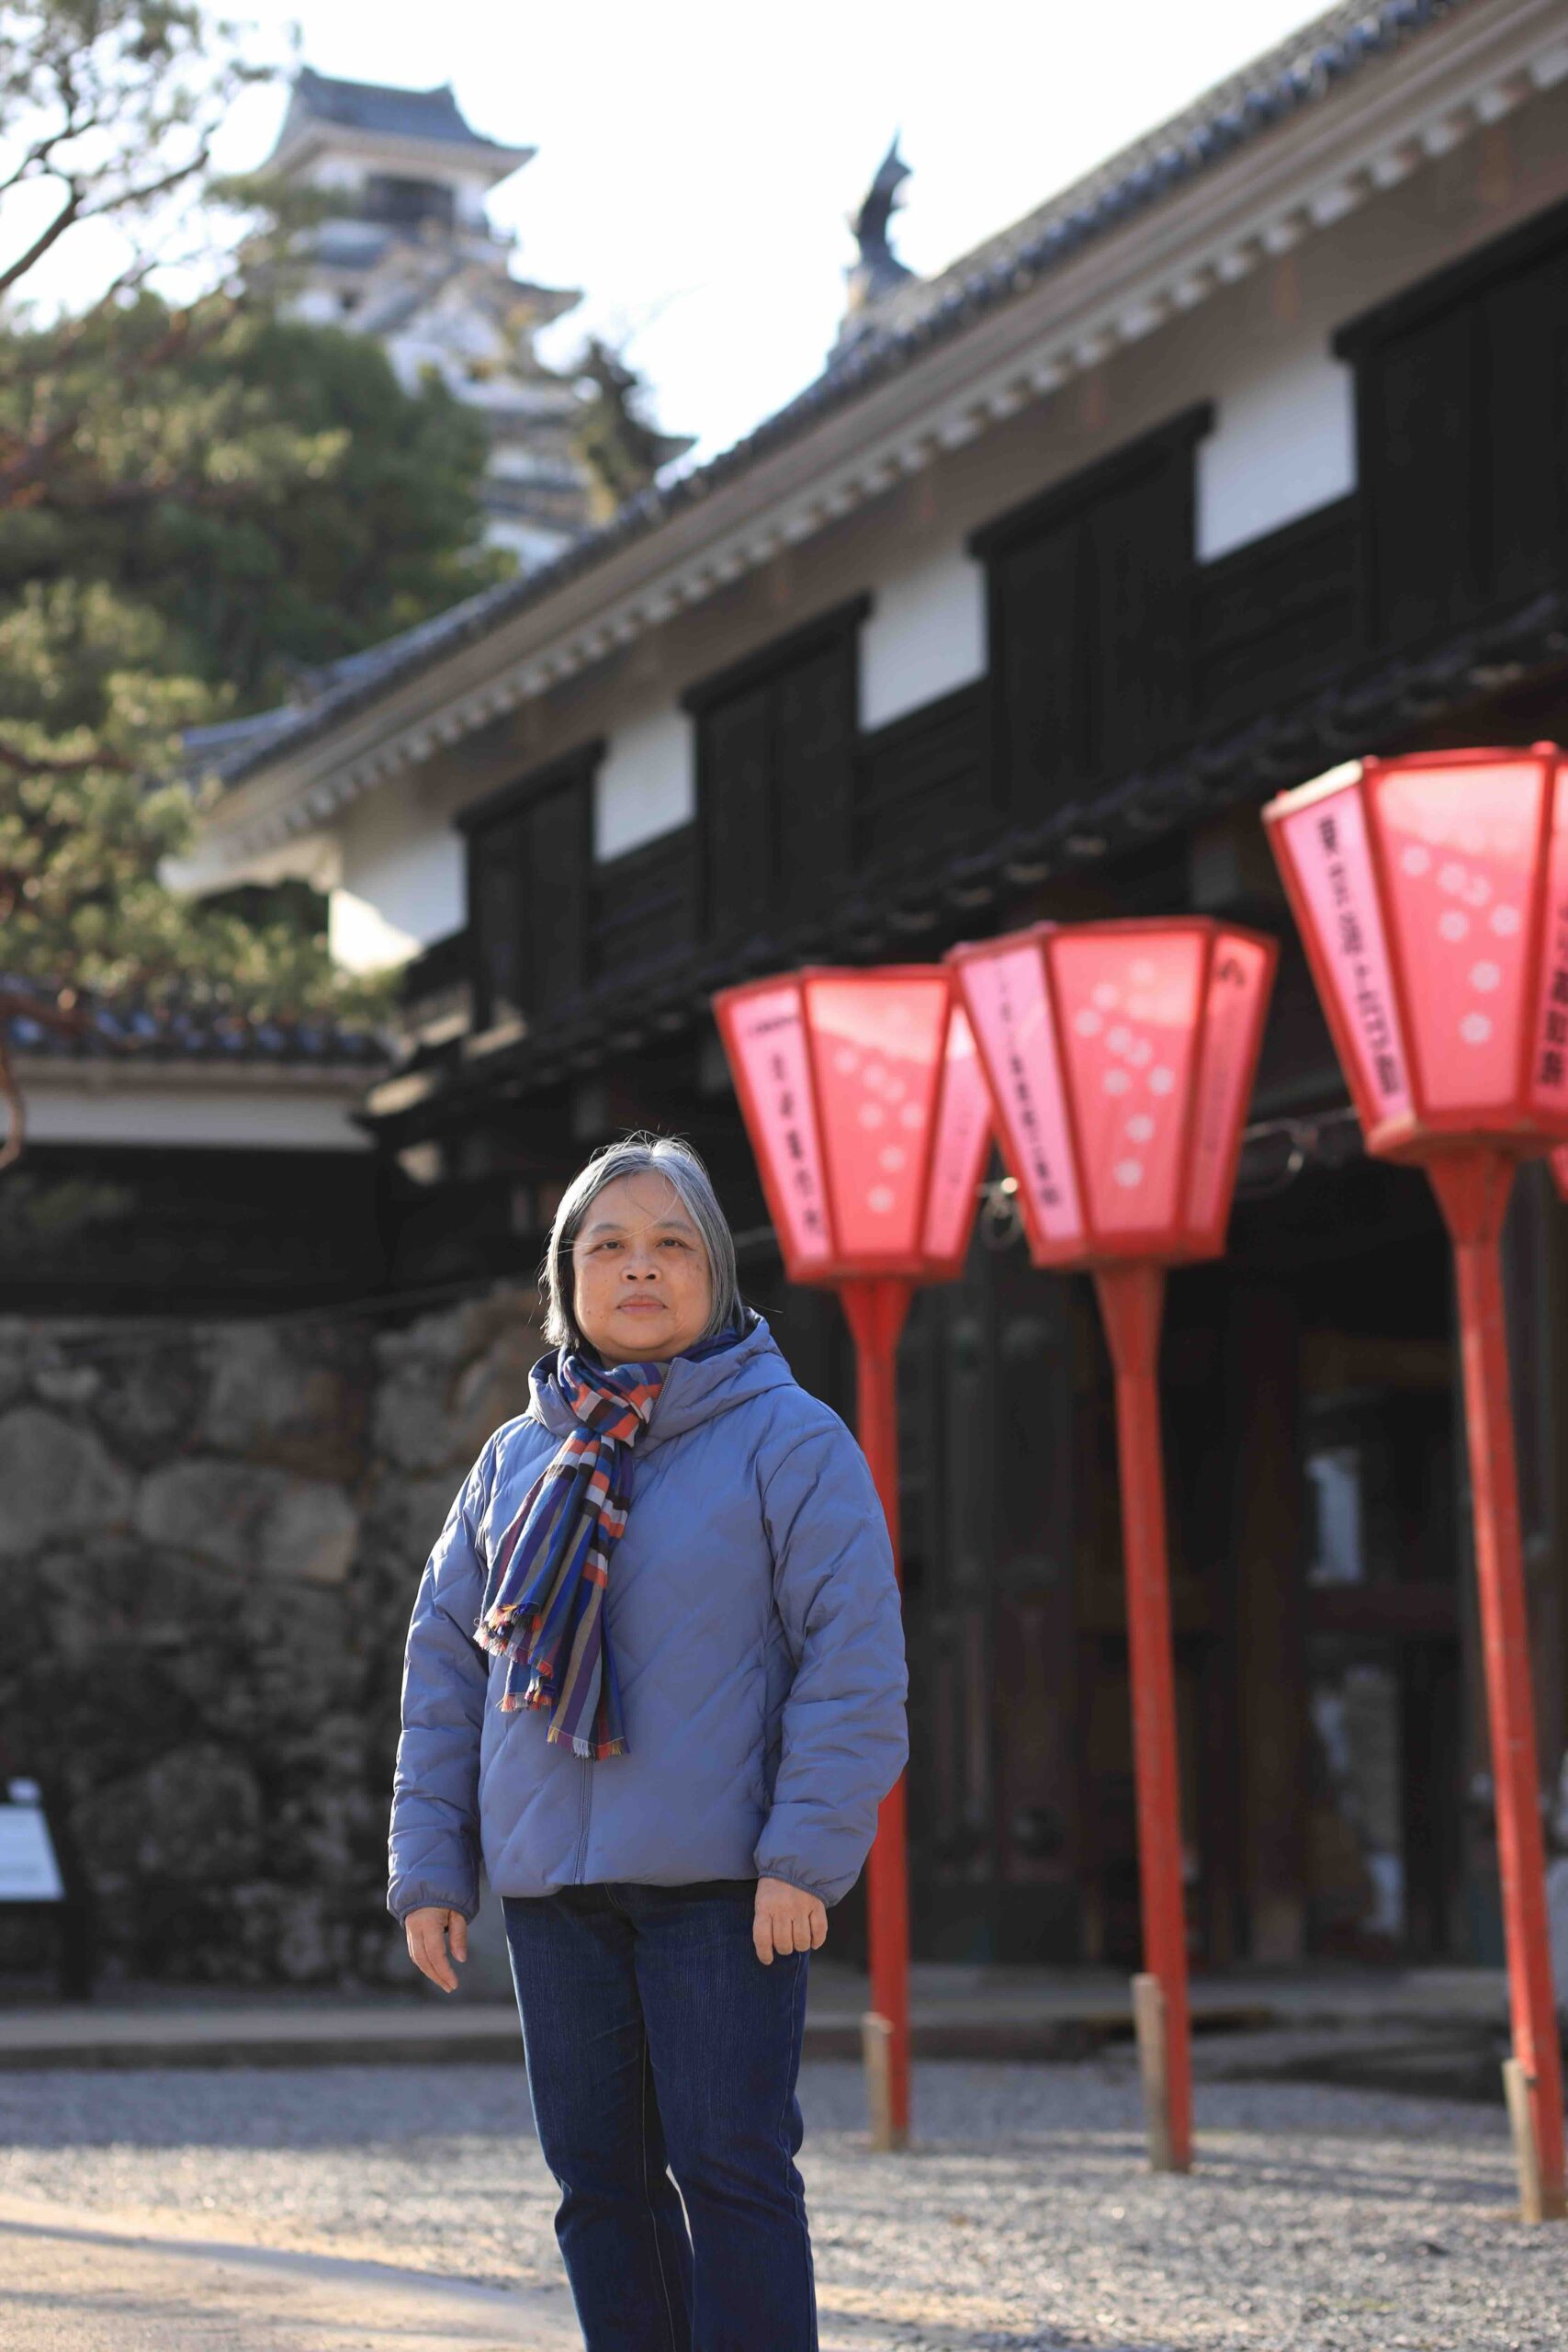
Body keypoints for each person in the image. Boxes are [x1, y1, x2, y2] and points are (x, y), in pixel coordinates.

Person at [389, 1132, 908, 2352]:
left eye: (672, 1243)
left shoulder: (792, 1440)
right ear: (565, 1275)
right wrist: (432, 1866)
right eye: (606, 1244)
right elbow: (446, 1669)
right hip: (557, 1890)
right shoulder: (518, 1458)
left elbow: (854, 1665)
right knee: (597, 2183)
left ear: (717, 1275)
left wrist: (805, 1859)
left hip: (725, 1888)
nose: (639, 1268)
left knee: (729, 2168)